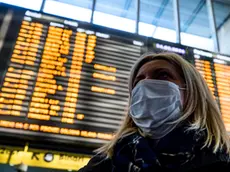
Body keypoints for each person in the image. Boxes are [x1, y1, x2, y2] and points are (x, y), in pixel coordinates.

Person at [79, 52, 230, 172]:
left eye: (163, 75)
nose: (146, 84)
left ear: (192, 91)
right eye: (139, 80)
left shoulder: (220, 159)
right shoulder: (108, 160)